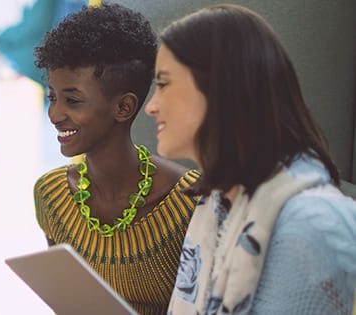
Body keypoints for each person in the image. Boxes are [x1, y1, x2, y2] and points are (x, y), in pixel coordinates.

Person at [144, 4, 356, 314]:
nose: (152, 106)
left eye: (163, 84)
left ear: (219, 85)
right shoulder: (218, 206)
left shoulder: (313, 223)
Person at [31, 3, 200, 314]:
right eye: (52, 97)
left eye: (73, 100)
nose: (54, 114)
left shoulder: (191, 202)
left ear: (124, 108)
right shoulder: (51, 195)